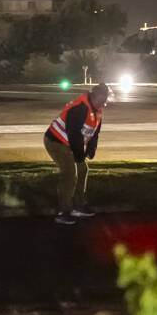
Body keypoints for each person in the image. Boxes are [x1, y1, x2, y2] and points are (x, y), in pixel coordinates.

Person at [44, 81, 109, 225]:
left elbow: (95, 132)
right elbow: (73, 134)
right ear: (95, 96)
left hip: (71, 143)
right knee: (69, 173)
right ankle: (64, 211)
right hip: (56, 141)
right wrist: (80, 155)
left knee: (83, 169)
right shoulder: (79, 108)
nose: (104, 104)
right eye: (103, 101)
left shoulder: (97, 110)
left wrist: (91, 150)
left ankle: (79, 204)